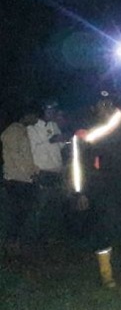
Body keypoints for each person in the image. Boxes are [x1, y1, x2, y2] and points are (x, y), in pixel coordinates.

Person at [73, 94, 121, 287]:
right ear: (94, 107)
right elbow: (78, 165)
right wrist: (80, 192)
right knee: (103, 229)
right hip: (101, 188)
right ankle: (106, 274)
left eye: (109, 102)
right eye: (102, 103)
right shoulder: (85, 132)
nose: (106, 106)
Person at [27, 100, 69, 243]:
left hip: (56, 170)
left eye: (53, 111)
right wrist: (50, 141)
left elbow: (61, 144)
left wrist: (63, 139)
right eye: (49, 111)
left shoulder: (54, 125)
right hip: (43, 171)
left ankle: (53, 237)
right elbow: (32, 150)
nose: (52, 113)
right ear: (42, 112)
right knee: (41, 206)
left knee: (55, 206)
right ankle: (34, 237)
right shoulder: (32, 129)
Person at [1, 108, 40, 254]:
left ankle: (17, 244)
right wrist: (30, 172)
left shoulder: (21, 130)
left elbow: (25, 157)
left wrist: (34, 170)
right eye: (35, 115)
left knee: (22, 213)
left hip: (24, 179)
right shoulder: (13, 131)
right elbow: (16, 157)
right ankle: (12, 244)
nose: (36, 119)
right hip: (16, 179)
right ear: (27, 115)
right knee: (17, 213)